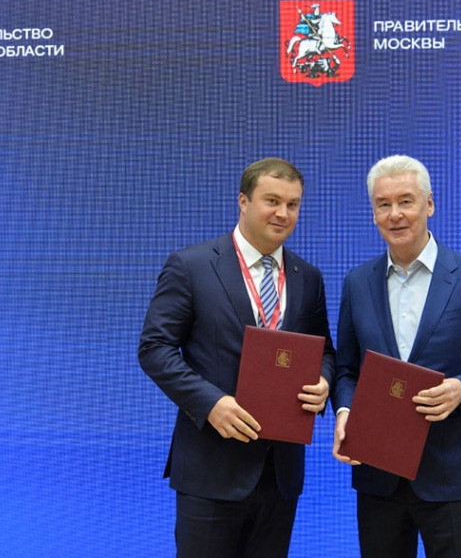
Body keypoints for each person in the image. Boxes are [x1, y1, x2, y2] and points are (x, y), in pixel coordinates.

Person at [139, 157, 335, 558]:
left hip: (280, 473)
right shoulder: (191, 266)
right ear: (243, 201)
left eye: (293, 204)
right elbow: (154, 348)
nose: (283, 213)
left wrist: (324, 381)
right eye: (272, 201)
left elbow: (325, 351)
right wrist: (210, 403)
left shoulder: (308, 277)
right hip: (211, 468)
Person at [331, 155, 461, 558]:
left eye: (406, 201)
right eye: (383, 204)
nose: (395, 214)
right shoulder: (357, 282)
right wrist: (345, 411)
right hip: (378, 472)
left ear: (430, 204)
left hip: (453, 471)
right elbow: (347, 369)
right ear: (373, 213)